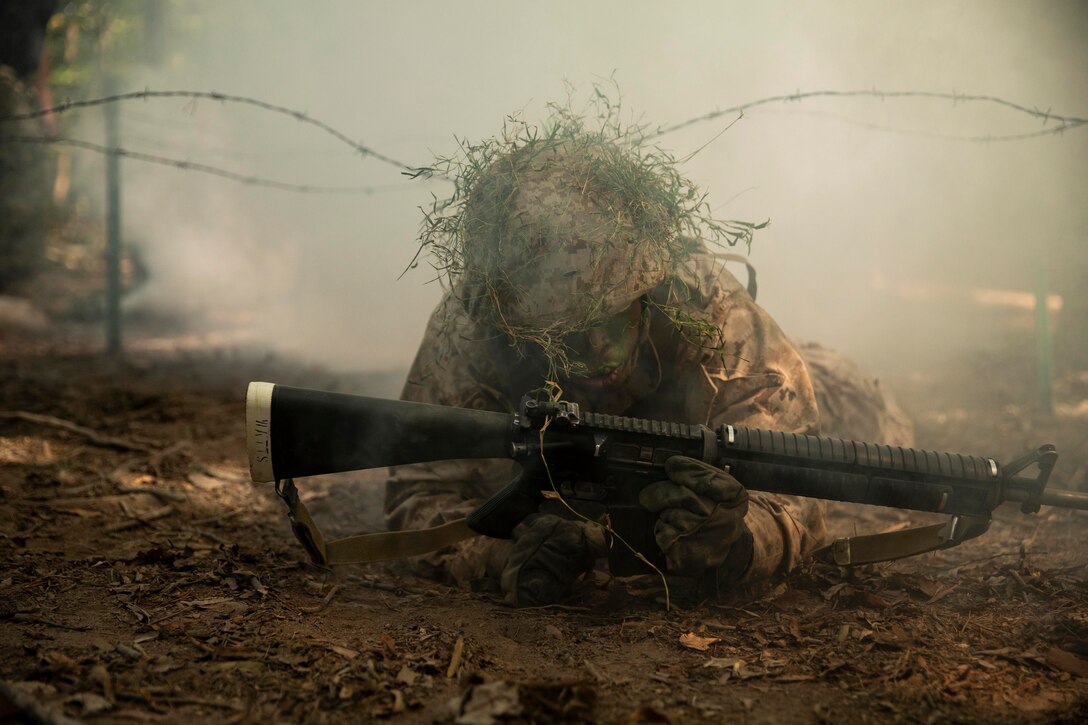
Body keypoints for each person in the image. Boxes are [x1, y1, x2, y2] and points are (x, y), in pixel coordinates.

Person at [384, 122, 908, 606]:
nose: (593, 353)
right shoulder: (476, 326)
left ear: (646, 292)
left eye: (606, 320)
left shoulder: (708, 311)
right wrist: (498, 556)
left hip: (796, 397)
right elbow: (420, 493)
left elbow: (798, 484)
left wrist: (740, 542)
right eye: (562, 335)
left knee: (867, 426)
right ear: (518, 323)